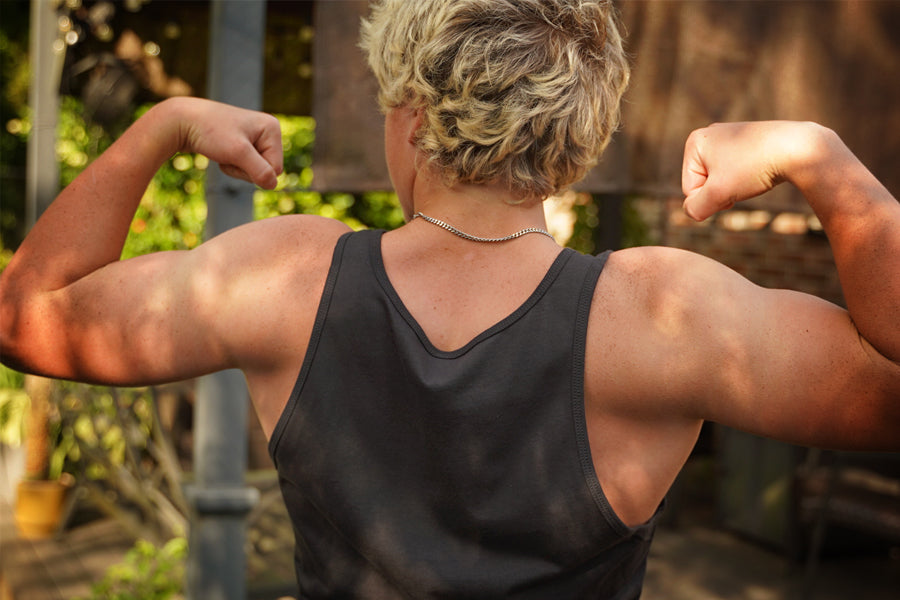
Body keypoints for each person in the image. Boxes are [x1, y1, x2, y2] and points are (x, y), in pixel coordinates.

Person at [1, 0, 898, 597]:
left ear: (417, 118)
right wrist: (824, 160)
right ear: (580, 133)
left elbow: (26, 316)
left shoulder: (284, 275)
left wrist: (163, 126)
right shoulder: (663, 316)